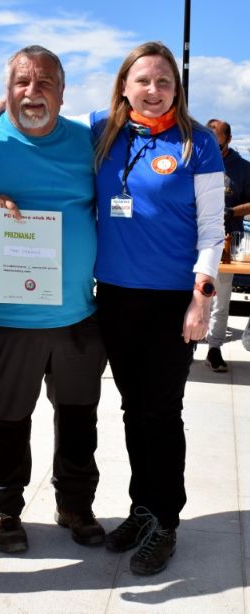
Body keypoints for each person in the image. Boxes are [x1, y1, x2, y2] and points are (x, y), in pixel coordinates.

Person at [0, 45, 107, 554]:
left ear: (63, 92)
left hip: (77, 314)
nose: (32, 92)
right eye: (21, 82)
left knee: (79, 419)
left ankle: (76, 505)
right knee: (6, 421)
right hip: (7, 317)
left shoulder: (88, 142)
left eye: (44, 83)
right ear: (6, 88)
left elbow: (141, 110)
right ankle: (5, 510)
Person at [91, 41, 224, 575]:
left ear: (177, 88)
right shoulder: (102, 130)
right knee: (132, 408)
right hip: (116, 296)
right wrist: (0, 105)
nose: (153, 89)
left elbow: (212, 229)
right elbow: (43, 117)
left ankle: (165, 521)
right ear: (124, 86)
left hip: (173, 301)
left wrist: (201, 298)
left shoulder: (197, 142)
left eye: (164, 81)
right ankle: (141, 508)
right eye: (142, 80)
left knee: (162, 412)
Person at [204, 119, 250, 372]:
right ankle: (185, 346)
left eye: (217, 139)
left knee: (220, 301)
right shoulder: (196, 160)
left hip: (227, 245)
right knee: (189, 296)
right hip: (193, 242)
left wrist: (231, 211)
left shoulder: (242, 168)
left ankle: (214, 348)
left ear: (228, 140)